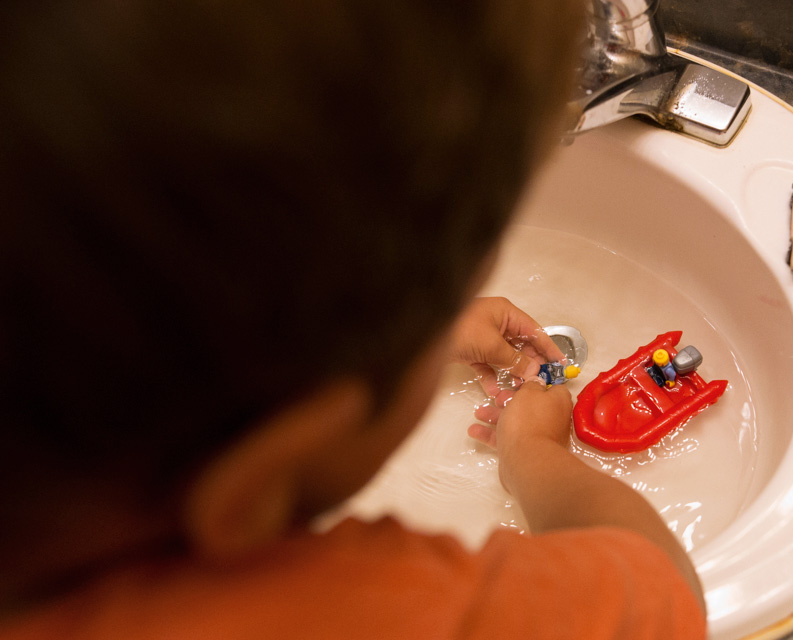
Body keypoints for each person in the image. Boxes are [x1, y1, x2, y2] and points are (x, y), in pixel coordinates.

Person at [0, 0, 706, 637]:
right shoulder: (374, 616)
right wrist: (535, 456)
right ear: (258, 483)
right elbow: (659, 582)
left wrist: (394, 338)